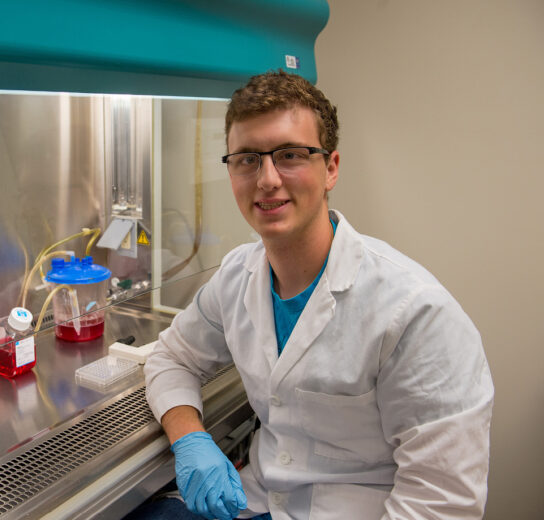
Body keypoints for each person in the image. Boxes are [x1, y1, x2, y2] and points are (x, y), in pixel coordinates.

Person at [142, 70, 494, 519]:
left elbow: (442, 504)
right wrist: (189, 437)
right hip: (255, 500)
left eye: (290, 155)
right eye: (247, 158)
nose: (267, 179)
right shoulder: (236, 275)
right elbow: (173, 357)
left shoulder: (416, 312)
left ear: (330, 168)